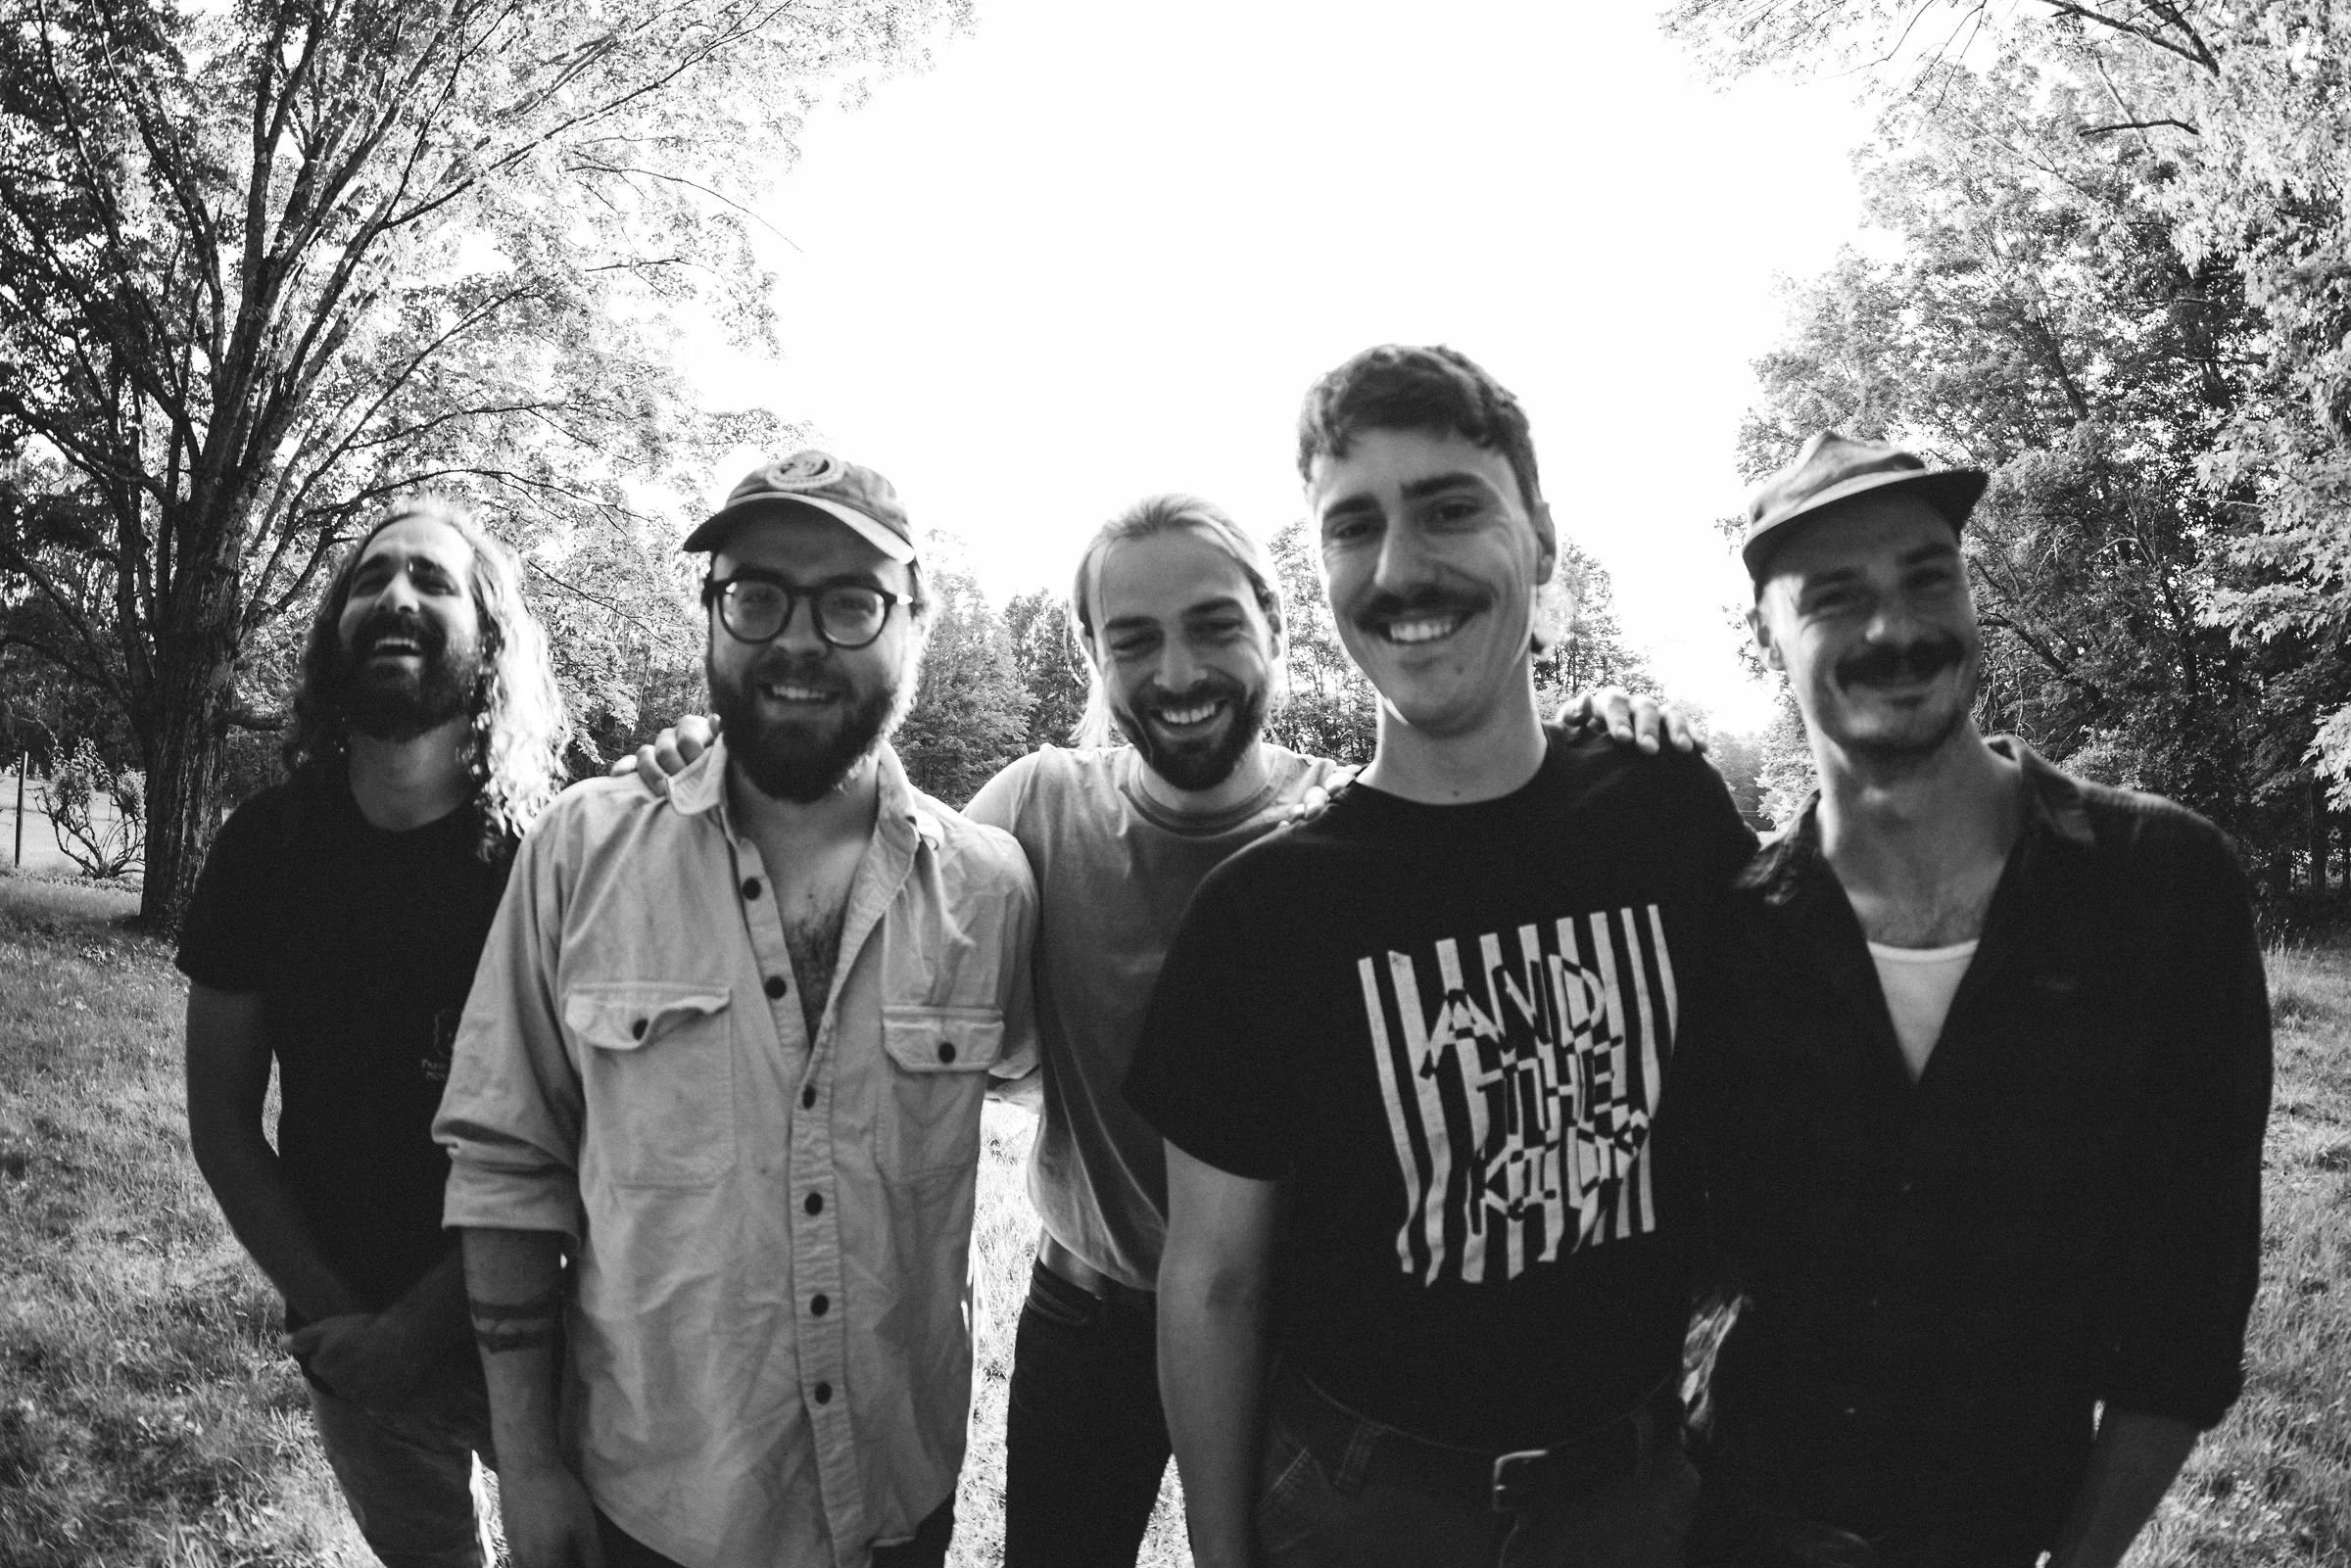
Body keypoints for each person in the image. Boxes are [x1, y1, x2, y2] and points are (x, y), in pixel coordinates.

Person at [624, 494, 1696, 1568]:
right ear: (1092, 657)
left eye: (1214, 624)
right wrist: (719, 764)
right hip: (1088, 1319)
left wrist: (1597, 733)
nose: (1177, 673)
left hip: (1297, 1342)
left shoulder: (1350, 838)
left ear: (1276, 627)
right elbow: (858, 862)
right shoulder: (1036, 810)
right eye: (1131, 639)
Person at [1124, 345, 1754, 1568]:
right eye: (1354, 527)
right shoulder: (1263, 916)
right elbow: (1212, 1285)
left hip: (1638, 1497)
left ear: (1542, 537)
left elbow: (1774, 1124)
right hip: (1369, 1507)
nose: (1402, 567)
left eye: (1451, 508)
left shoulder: (1669, 815)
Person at [435, 451, 1040, 1568]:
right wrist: (526, 1459)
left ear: (918, 623)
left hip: (897, 1509)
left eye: (851, 600)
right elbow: (503, 1167)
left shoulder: (994, 891)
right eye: (757, 594)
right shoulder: (582, 849)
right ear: (712, 615)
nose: (798, 638)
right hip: (650, 1504)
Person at [1686, 432, 2274, 1568]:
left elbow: (2187, 1311)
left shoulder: (2161, 887)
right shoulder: (1732, 927)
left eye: (1926, 576)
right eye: (1836, 596)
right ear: (1767, 629)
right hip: (1725, 1524)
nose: (1895, 630)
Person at [180, 499, 570, 1568]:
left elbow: (587, 1142)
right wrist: (353, 1326)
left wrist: (415, 1332)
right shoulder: (264, 848)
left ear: (490, 641)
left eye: (433, 580)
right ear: (334, 633)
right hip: (346, 1333)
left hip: (547, 1329)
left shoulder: (553, 861)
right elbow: (221, 1120)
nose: (396, 593)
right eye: (370, 577)